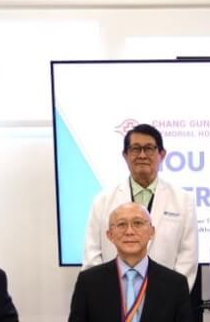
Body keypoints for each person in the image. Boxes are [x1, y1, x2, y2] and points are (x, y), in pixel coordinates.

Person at [64, 202, 197, 322]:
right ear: (109, 235)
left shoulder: (175, 284)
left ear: (152, 232)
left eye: (138, 223)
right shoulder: (88, 282)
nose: (129, 231)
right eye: (121, 225)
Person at [82, 123, 198, 291]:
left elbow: (188, 258)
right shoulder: (102, 200)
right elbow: (92, 255)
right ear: (125, 155)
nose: (142, 155)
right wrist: (106, 298)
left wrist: (171, 300)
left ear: (162, 154)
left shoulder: (183, 200)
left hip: (164, 300)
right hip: (114, 298)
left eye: (149, 148)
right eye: (135, 149)